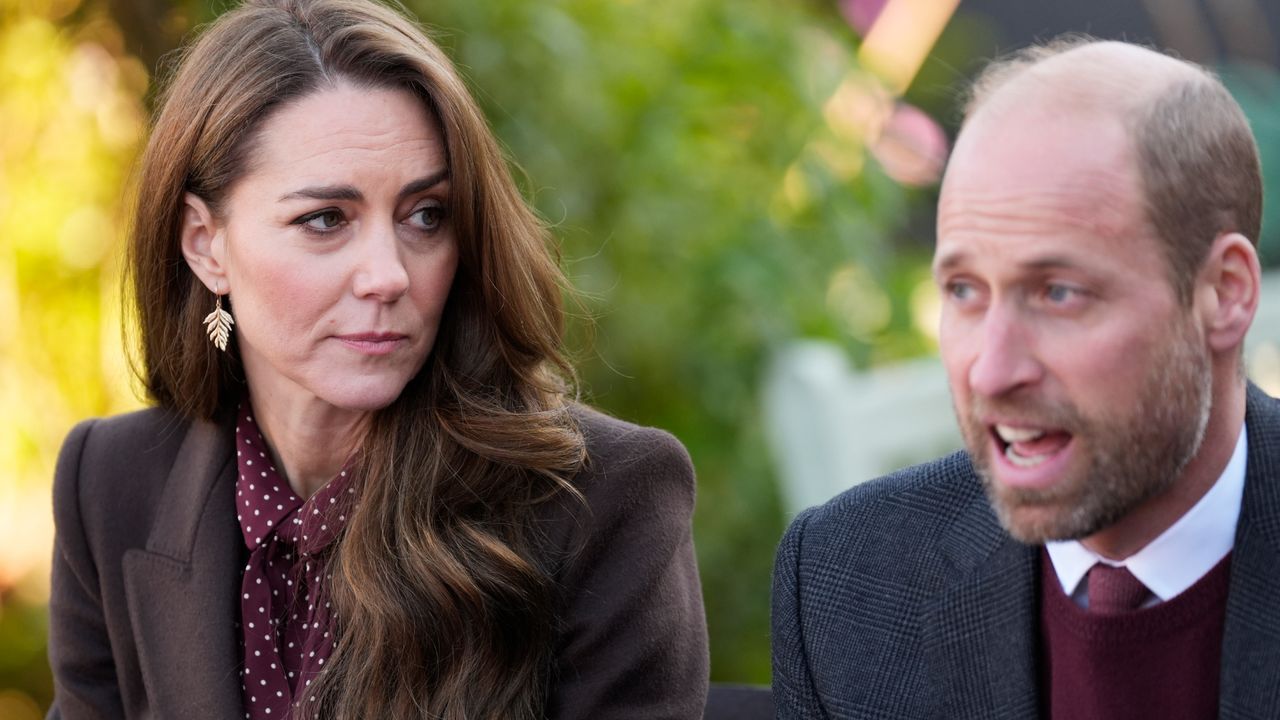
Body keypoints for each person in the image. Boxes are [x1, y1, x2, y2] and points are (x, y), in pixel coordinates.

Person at [46, 0, 709, 717]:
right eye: (325, 220)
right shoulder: (109, 485)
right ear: (206, 244)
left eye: (426, 215)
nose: (389, 275)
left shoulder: (604, 502)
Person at [772, 37, 1276, 719]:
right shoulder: (848, 580)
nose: (994, 369)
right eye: (964, 290)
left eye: (1059, 293)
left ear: (1223, 291)